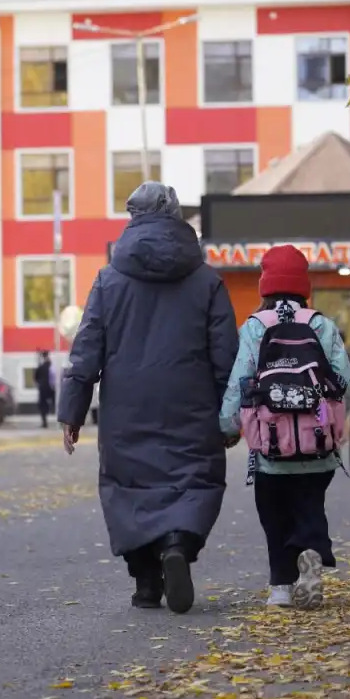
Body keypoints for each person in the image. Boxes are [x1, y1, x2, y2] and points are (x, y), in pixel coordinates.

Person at [59, 181, 239, 614]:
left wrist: (72, 410)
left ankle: (145, 583)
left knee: (130, 487)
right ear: (177, 216)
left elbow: (87, 349)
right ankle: (177, 543)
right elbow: (226, 355)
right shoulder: (206, 281)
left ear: (132, 217)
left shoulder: (108, 280)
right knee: (191, 477)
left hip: (127, 407)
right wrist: (231, 413)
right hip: (191, 403)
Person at [220, 245, 350, 610]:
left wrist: (228, 427)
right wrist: (335, 427)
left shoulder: (254, 327)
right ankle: (311, 549)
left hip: (271, 447)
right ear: (303, 284)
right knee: (310, 504)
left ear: (265, 284)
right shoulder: (320, 325)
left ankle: (281, 586)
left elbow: (240, 381)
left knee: (274, 511)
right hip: (318, 445)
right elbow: (344, 379)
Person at [35, 350, 55, 428]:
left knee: (43, 405)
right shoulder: (51, 366)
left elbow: (36, 377)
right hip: (52, 388)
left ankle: (44, 423)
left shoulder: (41, 366)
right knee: (56, 404)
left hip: (43, 387)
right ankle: (61, 422)